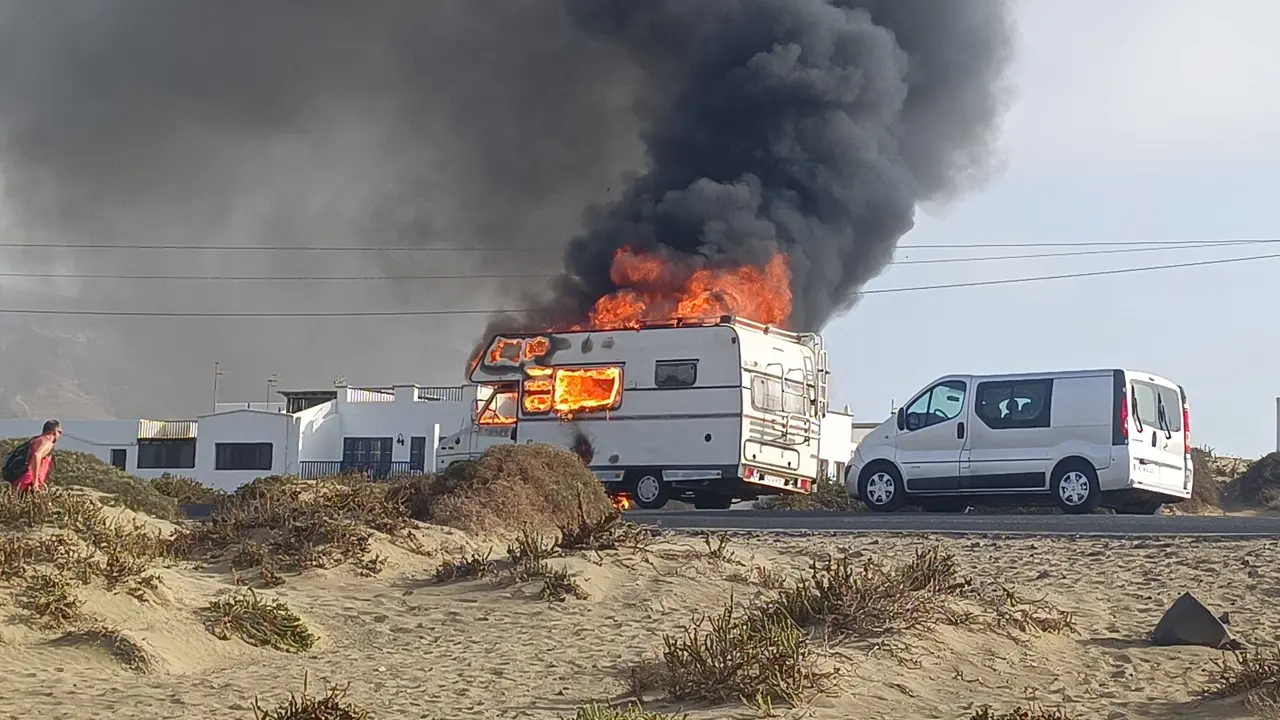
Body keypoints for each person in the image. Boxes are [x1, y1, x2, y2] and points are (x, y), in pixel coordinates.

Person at [13, 420, 61, 493]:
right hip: (30, 483)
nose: (60, 435)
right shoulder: (47, 442)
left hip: (23, 481)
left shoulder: (36, 440)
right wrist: (35, 482)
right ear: (54, 431)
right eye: (59, 432)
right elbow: (37, 455)